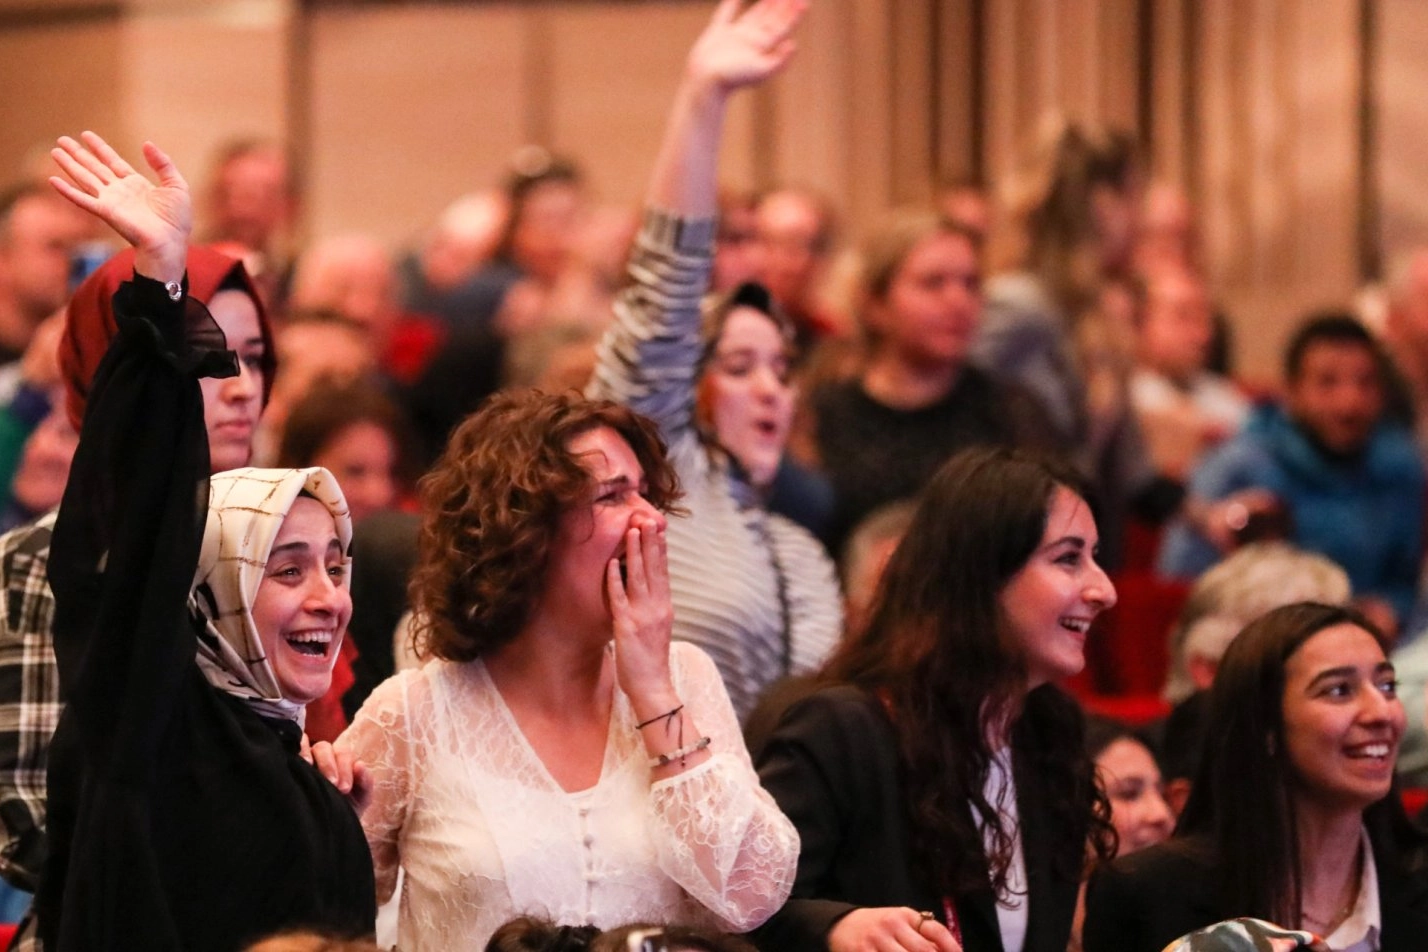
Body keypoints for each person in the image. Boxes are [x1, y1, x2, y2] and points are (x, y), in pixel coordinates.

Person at [37, 132, 374, 948]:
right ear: (208, 588)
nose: (328, 598)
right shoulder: (152, 722)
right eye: (285, 569)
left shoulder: (300, 769)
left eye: (336, 566)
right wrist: (161, 283)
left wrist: (333, 815)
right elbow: (142, 541)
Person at [337, 387, 798, 949]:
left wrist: (654, 691)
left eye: (646, 494)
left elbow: (752, 895)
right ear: (523, 533)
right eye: (613, 495)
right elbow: (323, 905)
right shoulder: (414, 712)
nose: (651, 519)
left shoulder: (686, 677)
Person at [0, 189, 278, 922]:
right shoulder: (40, 563)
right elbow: (30, 820)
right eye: (209, 358)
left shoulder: (294, 548)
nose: (242, 389)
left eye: (254, 358)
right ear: (116, 371)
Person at [753, 446, 1119, 952]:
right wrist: (836, 927)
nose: (1105, 590)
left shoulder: (1051, 740)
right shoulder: (844, 731)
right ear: (982, 576)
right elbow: (746, 913)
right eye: (1068, 559)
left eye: (1095, 558)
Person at [586, 0, 841, 722]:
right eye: (738, 366)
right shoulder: (662, 483)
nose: (770, 390)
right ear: (687, 387)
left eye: (782, 371)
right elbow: (662, 302)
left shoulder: (800, 551)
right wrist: (704, 100)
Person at [1083, 603, 1428, 952]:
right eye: (1339, 690)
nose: (1382, 712)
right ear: (1265, 727)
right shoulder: (1147, 894)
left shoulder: (1418, 876)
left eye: (1387, 686)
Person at [975, 121, 1172, 568]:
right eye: (1133, 198)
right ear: (1102, 205)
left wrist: (1207, 515)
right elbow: (972, 443)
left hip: (1078, 551)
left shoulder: (1092, 314)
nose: (1140, 220)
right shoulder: (1020, 306)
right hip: (1021, 557)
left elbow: (1132, 469)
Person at [804, 208, 1055, 552]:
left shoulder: (1012, 411)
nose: (959, 301)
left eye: (971, 284)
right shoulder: (825, 413)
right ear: (875, 304)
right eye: (933, 283)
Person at [1158, 314, 1424, 634]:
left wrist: (1392, 608)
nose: (1349, 403)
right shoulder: (1238, 466)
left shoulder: (1400, 468)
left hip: (1377, 645)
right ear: (1292, 391)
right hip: (1259, 642)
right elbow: (1181, 587)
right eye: (1327, 383)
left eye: (1365, 383)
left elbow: (1407, 582)